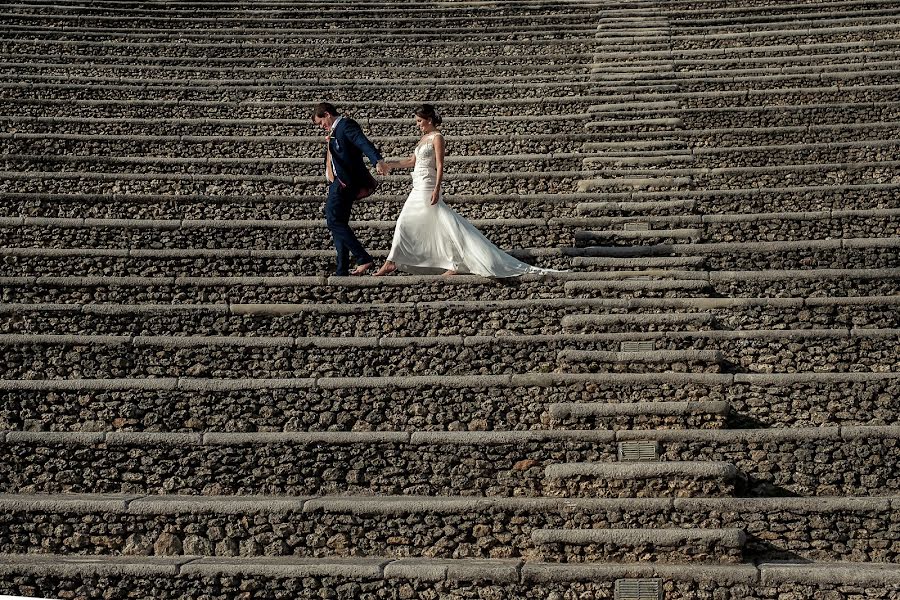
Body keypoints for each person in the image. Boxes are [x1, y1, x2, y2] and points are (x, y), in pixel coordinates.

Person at [373, 104, 553, 278]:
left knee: (406, 220)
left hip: (427, 186)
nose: (417, 125)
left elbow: (440, 164)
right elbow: (412, 161)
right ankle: (452, 262)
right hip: (417, 184)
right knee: (437, 224)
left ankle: (392, 262)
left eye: (420, 121)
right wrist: (389, 164)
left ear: (429, 119)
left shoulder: (437, 137)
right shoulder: (423, 139)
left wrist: (437, 188)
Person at [312, 102, 387, 276]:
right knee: (339, 223)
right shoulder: (333, 133)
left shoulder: (346, 125)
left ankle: (363, 258)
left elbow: (362, 142)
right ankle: (342, 269)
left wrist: (377, 160)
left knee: (332, 220)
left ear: (327, 114)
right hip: (336, 183)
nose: (322, 127)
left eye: (321, 123)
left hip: (344, 182)